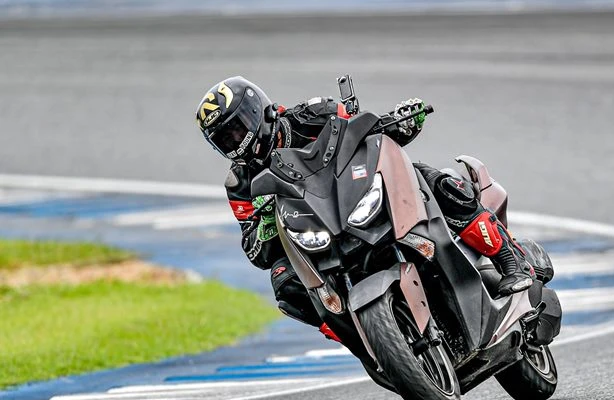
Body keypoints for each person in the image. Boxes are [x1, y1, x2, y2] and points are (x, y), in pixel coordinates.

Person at [195, 76, 533, 338]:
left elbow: (368, 133)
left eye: (236, 130)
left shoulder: (311, 114)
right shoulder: (239, 184)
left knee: (433, 181)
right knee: (284, 283)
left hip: (355, 194)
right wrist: (265, 224)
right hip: (315, 233)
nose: (234, 143)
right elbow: (255, 250)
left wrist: (400, 122)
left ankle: (510, 259)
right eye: (224, 140)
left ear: (257, 112)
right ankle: (359, 335)